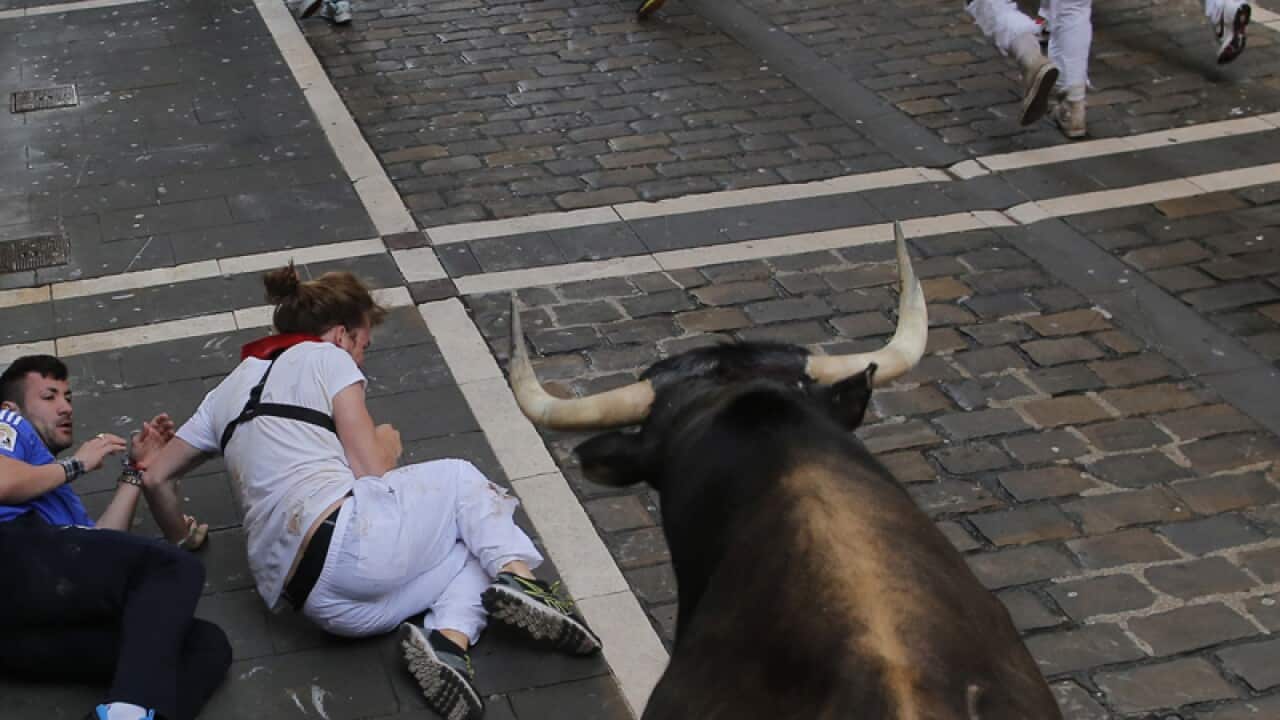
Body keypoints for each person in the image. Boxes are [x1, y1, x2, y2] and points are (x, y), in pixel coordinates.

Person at [140, 265, 602, 720]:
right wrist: (387, 442)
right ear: (341, 335)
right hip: (350, 545)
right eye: (363, 345)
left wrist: (183, 536)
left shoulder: (227, 388)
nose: (361, 360)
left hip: (319, 604)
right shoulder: (328, 358)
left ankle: (448, 644)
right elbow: (370, 468)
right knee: (463, 478)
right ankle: (521, 579)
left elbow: (156, 478)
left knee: (471, 547)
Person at [0, 355, 231, 720]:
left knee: (204, 644)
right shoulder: (6, 422)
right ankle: (125, 712)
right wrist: (75, 464)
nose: (65, 407)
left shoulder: (58, 505)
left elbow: (101, 550)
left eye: (69, 397)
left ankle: (127, 710)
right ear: (11, 405)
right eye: (49, 397)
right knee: (172, 567)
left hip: (23, 632)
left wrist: (135, 471)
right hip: (10, 560)